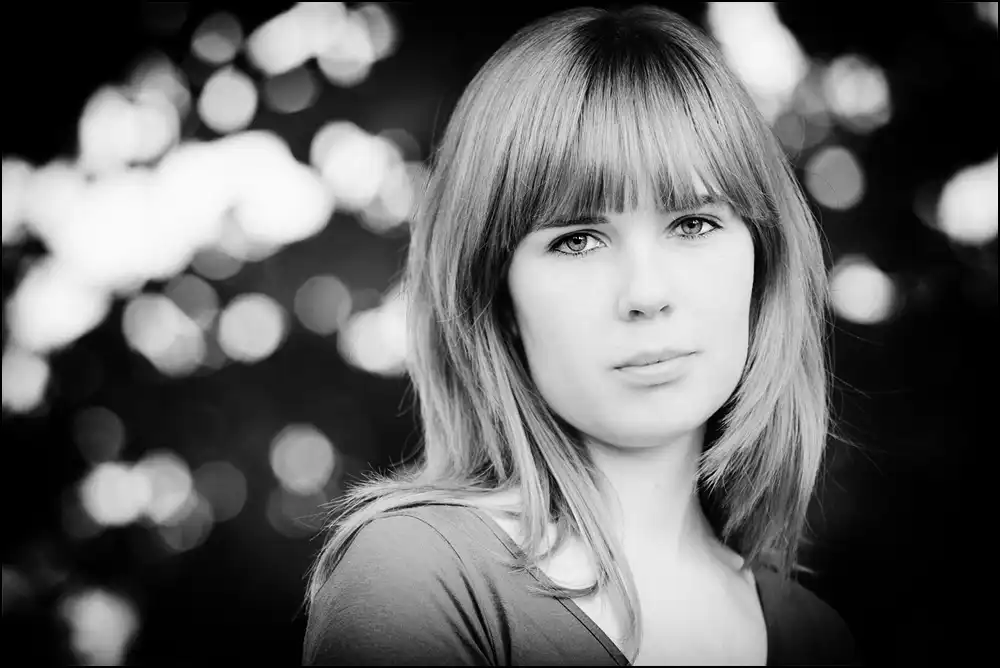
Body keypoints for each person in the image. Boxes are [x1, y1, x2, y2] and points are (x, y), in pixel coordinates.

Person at [302, 5, 861, 666]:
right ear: (498, 298)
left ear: (762, 263)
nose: (646, 293)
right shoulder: (416, 577)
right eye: (578, 240)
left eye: (692, 224)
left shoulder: (818, 638)